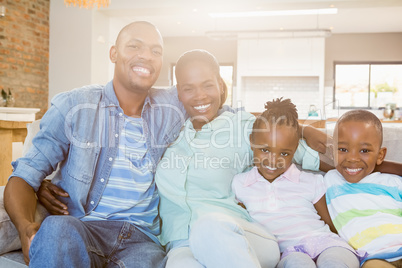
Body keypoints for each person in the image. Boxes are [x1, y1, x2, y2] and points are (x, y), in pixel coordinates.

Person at [3, 21, 187, 267]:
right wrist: (26, 229)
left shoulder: (173, 106)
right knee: (56, 229)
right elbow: (24, 177)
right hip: (82, 227)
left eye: (156, 51)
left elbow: (213, 93)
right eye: (135, 46)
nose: (146, 56)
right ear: (113, 53)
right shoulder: (75, 106)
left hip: (142, 241)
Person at [154, 50, 328, 268]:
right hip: (182, 243)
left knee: (209, 226)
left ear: (220, 85)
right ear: (178, 92)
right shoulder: (167, 133)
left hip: (240, 235)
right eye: (189, 88)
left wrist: (305, 129)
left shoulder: (241, 125)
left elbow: (293, 147)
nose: (200, 96)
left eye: (207, 85)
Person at [231, 98, 364, 268]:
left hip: (326, 243)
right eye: (265, 150)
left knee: (334, 262)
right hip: (288, 252)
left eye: (284, 154)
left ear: (295, 149)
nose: (273, 161)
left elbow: (331, 223)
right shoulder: (240, 184)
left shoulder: (312, 181)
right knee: (297, 264)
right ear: (252, 142)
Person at [324, 110, 402, 268]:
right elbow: (290, 147)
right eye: (343, 149)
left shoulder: (393, 181)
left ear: (380, 155)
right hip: (375, 257)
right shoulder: (329, 180)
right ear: (332, 152)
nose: (352, 158)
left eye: (364, 151)